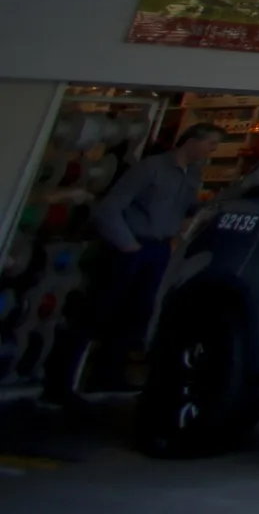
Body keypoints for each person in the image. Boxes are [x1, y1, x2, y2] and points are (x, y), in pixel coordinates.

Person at [44, 123, 225, 400]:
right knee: (98, 311)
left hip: (159, 249)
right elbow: (110, 208)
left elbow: (187, 210)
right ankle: (59, 384)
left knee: (137, 314)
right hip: (131, 246)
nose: (213, 150)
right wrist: (128, 245)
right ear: (191, 141)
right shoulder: (150, 169)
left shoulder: (192, 176)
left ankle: (107, 376)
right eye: (210, 143)